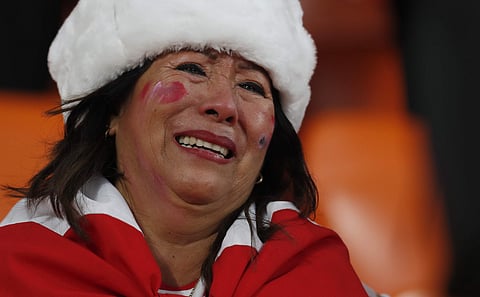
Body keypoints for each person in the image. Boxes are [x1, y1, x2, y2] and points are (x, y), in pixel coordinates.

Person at [0, 0, 382, 296]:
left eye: (251, 87)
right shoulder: (17, 266)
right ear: (112, 112)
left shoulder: (316, 271)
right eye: (192, 69)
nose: (225, 106)